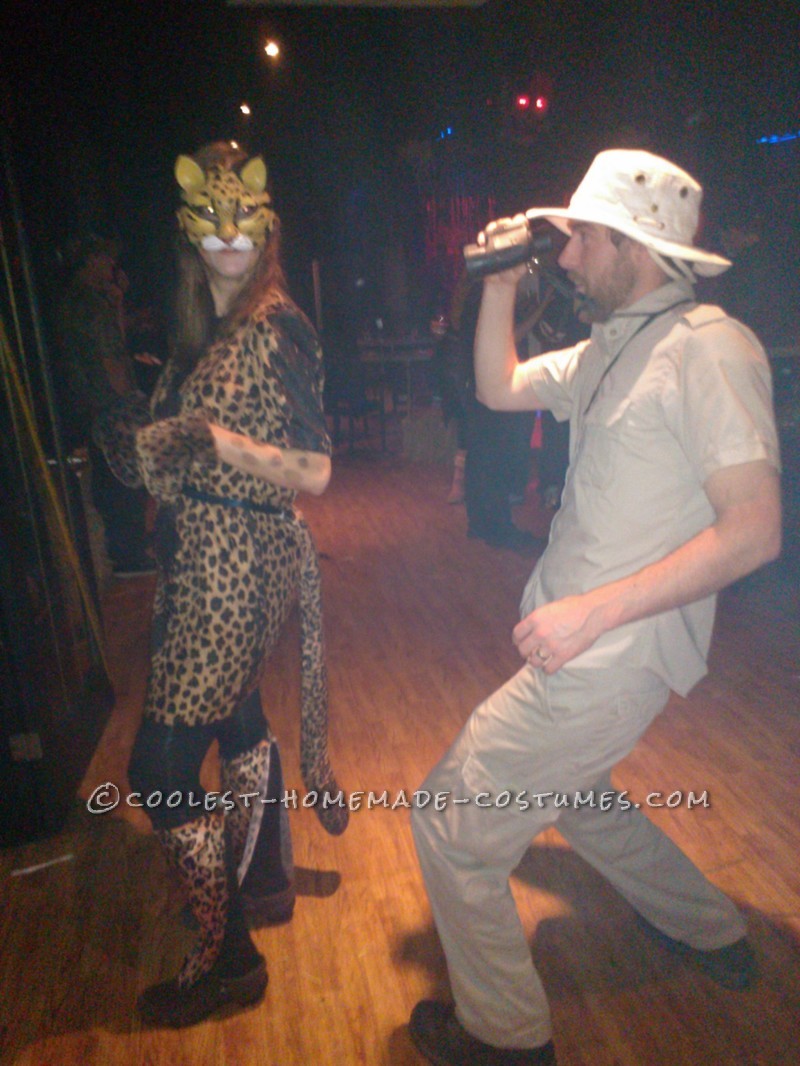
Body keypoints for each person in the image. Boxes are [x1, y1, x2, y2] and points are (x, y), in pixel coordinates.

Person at [409, 149, 782, 1064]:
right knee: (577, 801)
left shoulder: (712, 349)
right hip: (589, 650)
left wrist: (593, 613)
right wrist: (494, 281)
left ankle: (505, 1037)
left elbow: (756, 532)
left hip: (606, 656)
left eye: (581, 238)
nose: (566, 255)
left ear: (636, 246)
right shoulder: (619, 344)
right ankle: (709, 931)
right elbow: (499, 388)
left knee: (450, 822)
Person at [94, 142, 347, 1028]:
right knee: (238, 718)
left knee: (159, 767)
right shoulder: (208, 322)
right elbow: (165, 442)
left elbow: (316, 469)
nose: (229, 236)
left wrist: (211, 442)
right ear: (188, 227)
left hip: (235, 563)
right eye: (213, 220)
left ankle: (228, 956)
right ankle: (259, 882)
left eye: (247, 220)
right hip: (207, 548)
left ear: (268, 224)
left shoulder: (278, 324)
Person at [56, 235, 155, 577]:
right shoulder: (89, 305)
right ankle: (129, 556)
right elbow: (110, 354)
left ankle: (127, 551)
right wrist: (131, 398)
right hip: (109, 404)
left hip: (92, 404)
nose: (111, 266)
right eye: (105, 258)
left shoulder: (78, 300)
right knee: (125, 478)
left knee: (114, 478)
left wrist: (118, 302)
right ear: (91, 259)